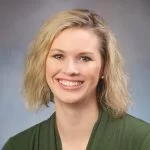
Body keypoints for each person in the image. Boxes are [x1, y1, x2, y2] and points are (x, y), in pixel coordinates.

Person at [2, 8, 150, 150]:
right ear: (42, 63)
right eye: (58, 56)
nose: (70, 70)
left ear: (104, 68)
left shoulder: (142, 140)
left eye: (85, 58)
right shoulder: (18, 146)